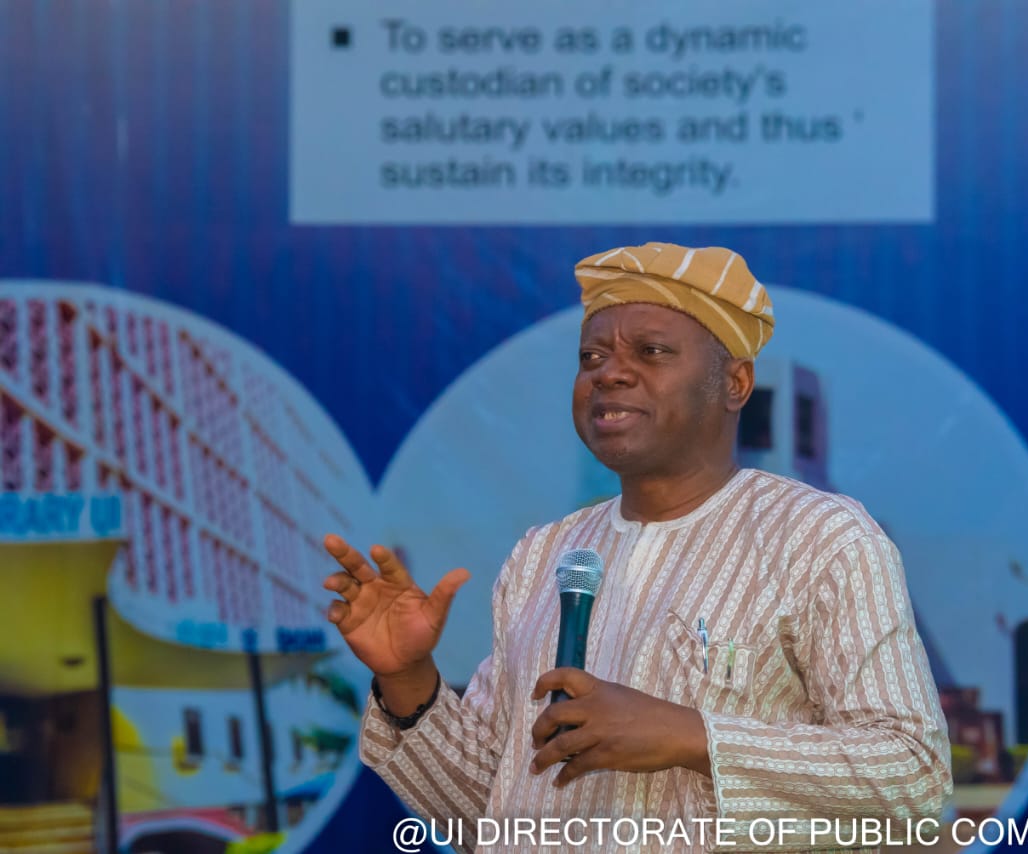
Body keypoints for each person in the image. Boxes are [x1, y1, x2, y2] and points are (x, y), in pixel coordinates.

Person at [322, 243, 951, 852]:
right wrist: (407, 679)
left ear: (735, 383)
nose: (610, 373)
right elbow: (492, 811)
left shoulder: (820, 538)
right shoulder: (544, 555)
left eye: (651, 352)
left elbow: (912, 773)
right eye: (591, 357)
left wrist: (692, 736)